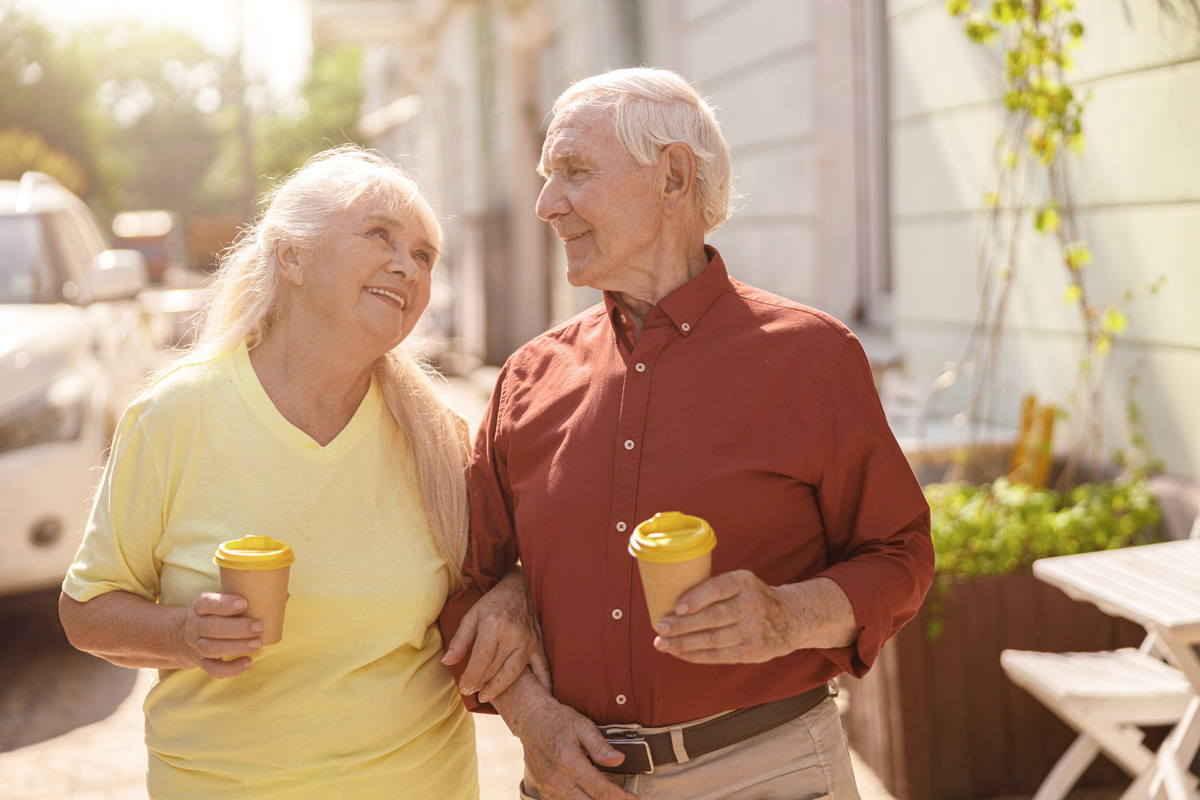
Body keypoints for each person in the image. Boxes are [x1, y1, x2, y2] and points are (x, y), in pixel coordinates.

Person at [438, 67, 935, 800]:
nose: (546, 205)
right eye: (548, 177)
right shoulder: (526, 379)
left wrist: (790, 616)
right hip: (574, 780)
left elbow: (901, 557)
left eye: (574, 171)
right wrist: (530, 713)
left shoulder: (811, 359)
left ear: (672, 177)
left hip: (770, 773)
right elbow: (463, 590)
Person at [59, 146, 544, 799]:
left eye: (424, 255)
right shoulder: (176, 414)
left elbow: (503, 574)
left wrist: (514, 597)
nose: (407, 265)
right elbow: (87, 609)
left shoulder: (440, 434)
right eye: (380, 235)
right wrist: (183, 634)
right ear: (292, 257)